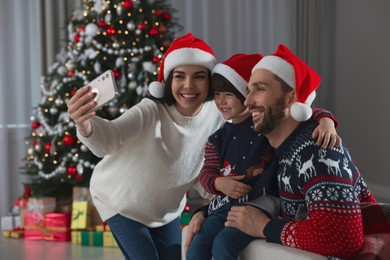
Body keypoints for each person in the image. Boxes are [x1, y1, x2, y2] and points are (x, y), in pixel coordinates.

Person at [66, 33, 226, 260]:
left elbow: (199, 167)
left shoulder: (216, 117)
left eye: (199, 76)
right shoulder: (150, 110)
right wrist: (84, 124)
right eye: (179, 76)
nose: (188, 85)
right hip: (121, 203)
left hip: (165, 213)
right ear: (169, 80)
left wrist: (217, 190)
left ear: (210, 81)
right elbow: (110, 139)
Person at [221, 44, 376, 259]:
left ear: (291, 98)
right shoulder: (287, 146)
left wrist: (265, 227)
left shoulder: (316, 151)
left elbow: (343, 240)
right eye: (248, 91)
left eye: (260, 89)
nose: (247, 101)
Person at [186, 53, 341, 260]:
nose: (221, 101)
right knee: (198, 245)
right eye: (217, 94)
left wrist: (326, 120)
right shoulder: (217, 138)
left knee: (224, 244)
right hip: (224, 204)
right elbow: (207, 173)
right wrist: (218, 183)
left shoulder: (265, 123)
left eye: (229, 94)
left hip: (260, 204)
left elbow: (302, 109)